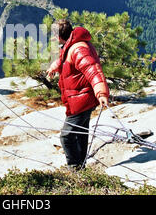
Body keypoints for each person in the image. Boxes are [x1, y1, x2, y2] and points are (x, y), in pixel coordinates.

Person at [46, 19, 109, 170]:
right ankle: (81, 165)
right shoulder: (71, 45)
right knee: (81, 132)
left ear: (60, 36)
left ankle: (74, 168)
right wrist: (54, 67)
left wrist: (101, 92)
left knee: (66, 136)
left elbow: (93, 70)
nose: (52, 38)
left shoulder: (78, 49)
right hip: (81, 98)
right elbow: (65, 60)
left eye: (53, 35)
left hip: (82, 99)